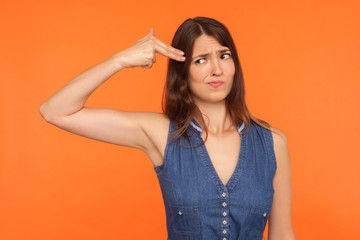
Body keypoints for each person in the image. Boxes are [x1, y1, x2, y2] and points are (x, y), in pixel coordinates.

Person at [39, 17, 295, 240]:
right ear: (182, 72)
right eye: (201, 60)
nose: (217, 69)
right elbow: (55, 111)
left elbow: (282, 235)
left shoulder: (271, 142)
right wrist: (120, 60)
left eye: (224, 56)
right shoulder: (162, 134)